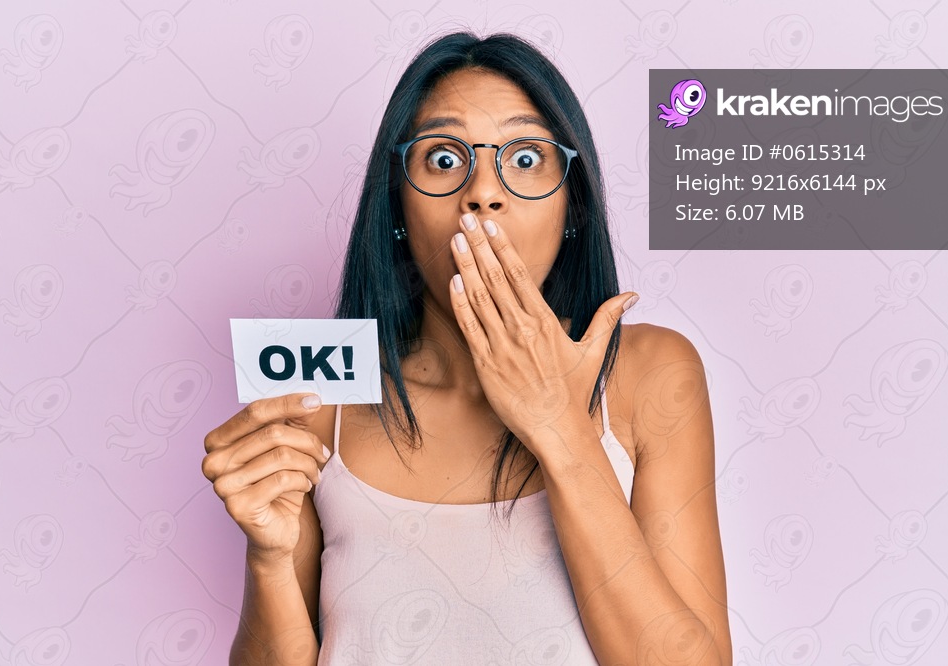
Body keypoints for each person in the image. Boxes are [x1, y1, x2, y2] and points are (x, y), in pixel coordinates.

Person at [203, 30, 733, 665]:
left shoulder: (650, 370)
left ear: (573, 205)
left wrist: (557, 427)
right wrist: (267, 559)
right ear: (396, 203)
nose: (483, 191)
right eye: (445, 160)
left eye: (527, 157)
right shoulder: (320, 395)